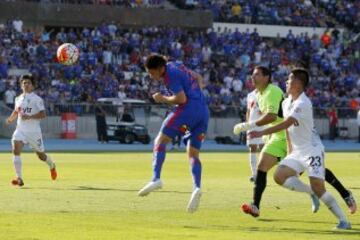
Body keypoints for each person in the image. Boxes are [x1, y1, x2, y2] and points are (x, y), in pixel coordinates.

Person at [233, 66, 356, 218]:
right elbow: (284, 124)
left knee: (318, 173)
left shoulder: (285, 96)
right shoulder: (269, 97)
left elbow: (279, 119)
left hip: (304, 141)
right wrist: (289, 148)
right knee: (268, 169)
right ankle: (256, 205)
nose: (252, 77)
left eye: (256, 74)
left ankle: (344, 195)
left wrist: (253, 128)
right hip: (285, 139)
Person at [138, 54, 209, 213]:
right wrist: (197, 94)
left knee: (160, 141)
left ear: (160, 69)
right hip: (203, 113)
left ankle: (156, 178)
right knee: (193, 153)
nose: (151, 76)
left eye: (151, 72)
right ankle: (197, 187)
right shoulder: (177, 65)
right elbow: (198, 77)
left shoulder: (169, 75)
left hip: (187, 111)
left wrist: (162, 98)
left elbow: (181, 99)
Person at [5, 74, 57, 187]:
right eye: (24, 83)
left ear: (32, 86)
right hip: (20, 130)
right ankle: (19, 178)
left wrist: (30, 117)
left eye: (28, 83)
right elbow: (16, 111)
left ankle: (52, 165)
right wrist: (10, 119)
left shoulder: (37, 100)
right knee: (15, 149)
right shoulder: (18, 99)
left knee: (41, 156)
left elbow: (43, 114)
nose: (26, 85)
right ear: (21, 85)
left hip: (34, 133)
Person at [245, 89, 264, 182]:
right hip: (252, 125)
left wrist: (264, 112)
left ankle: (261, 174)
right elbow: (248, 111)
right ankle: (254, 174)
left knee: (262, 148)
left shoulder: (267, 93)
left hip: (263, 124)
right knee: (252, 148)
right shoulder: (250, 95)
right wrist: (247, 124)